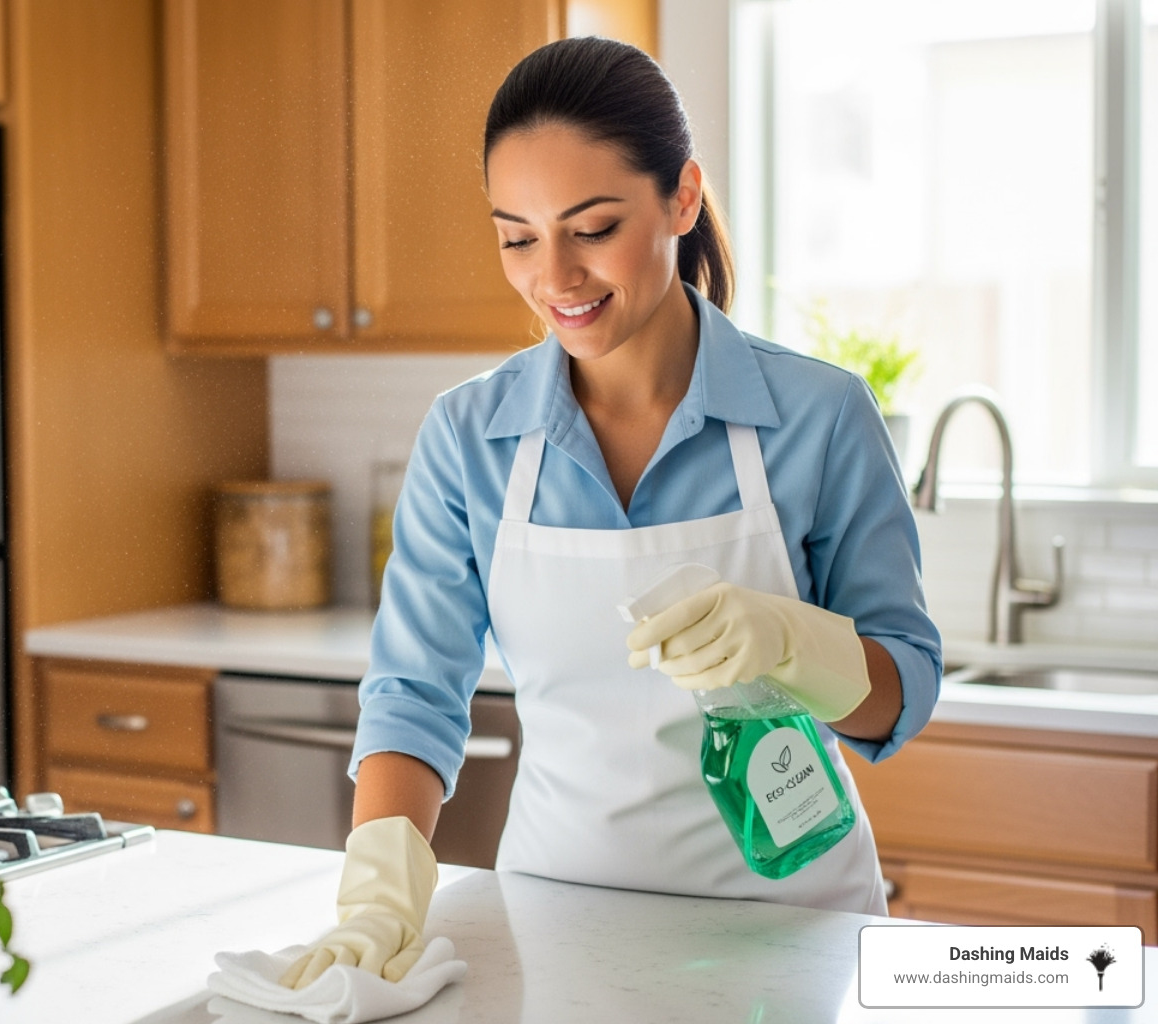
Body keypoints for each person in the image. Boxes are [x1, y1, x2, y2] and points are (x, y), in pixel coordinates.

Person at [280, 36, 942, 990]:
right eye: (517, 236)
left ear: (681, 196)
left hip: (795, 936)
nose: (555, 277)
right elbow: (415, 694)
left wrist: (797, 645)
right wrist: (379, 895)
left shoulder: (819, 417)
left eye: (592, 228)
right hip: (557, 931)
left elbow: (904, 689)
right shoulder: (472, 437)